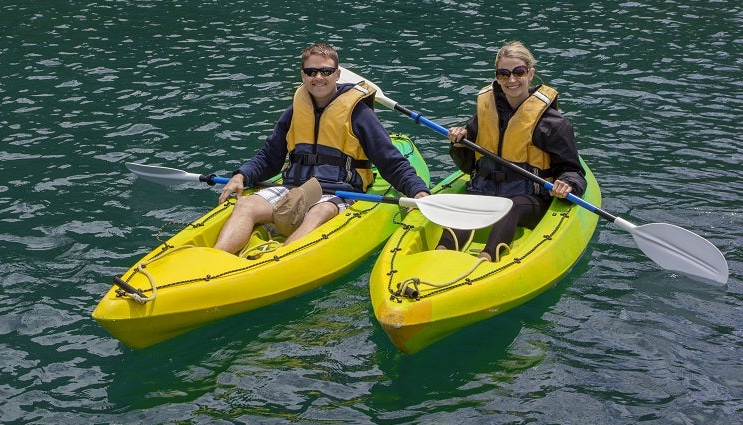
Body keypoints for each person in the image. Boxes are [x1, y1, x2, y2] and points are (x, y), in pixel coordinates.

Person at [214, 43, 430, 254]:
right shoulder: (294, 111)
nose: (318, 77)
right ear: (303, 75)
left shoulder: (359, 113)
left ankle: (278, 261)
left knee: (320, 211)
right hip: (294, 188)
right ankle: (215, 262)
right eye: (311, 71)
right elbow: (270, 156)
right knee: (246, 205)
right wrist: (242, 175)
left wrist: (417, 190)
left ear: (337, 74)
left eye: (325, 71)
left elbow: (389, 161)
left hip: (340, 192)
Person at [436, 40, 586, 262]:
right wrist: (459, 144)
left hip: (528, 198)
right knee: (465, 205)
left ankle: (487, 259)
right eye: (504, 74)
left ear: (530, 73)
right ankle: (441, 255)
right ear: (497, 76)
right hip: (484, 190)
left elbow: (574, 171)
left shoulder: (553, 123)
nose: (512, 80)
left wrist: (567, 184)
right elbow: (469, 166)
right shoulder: (486, 111)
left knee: (510, 206)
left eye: (519, 72)